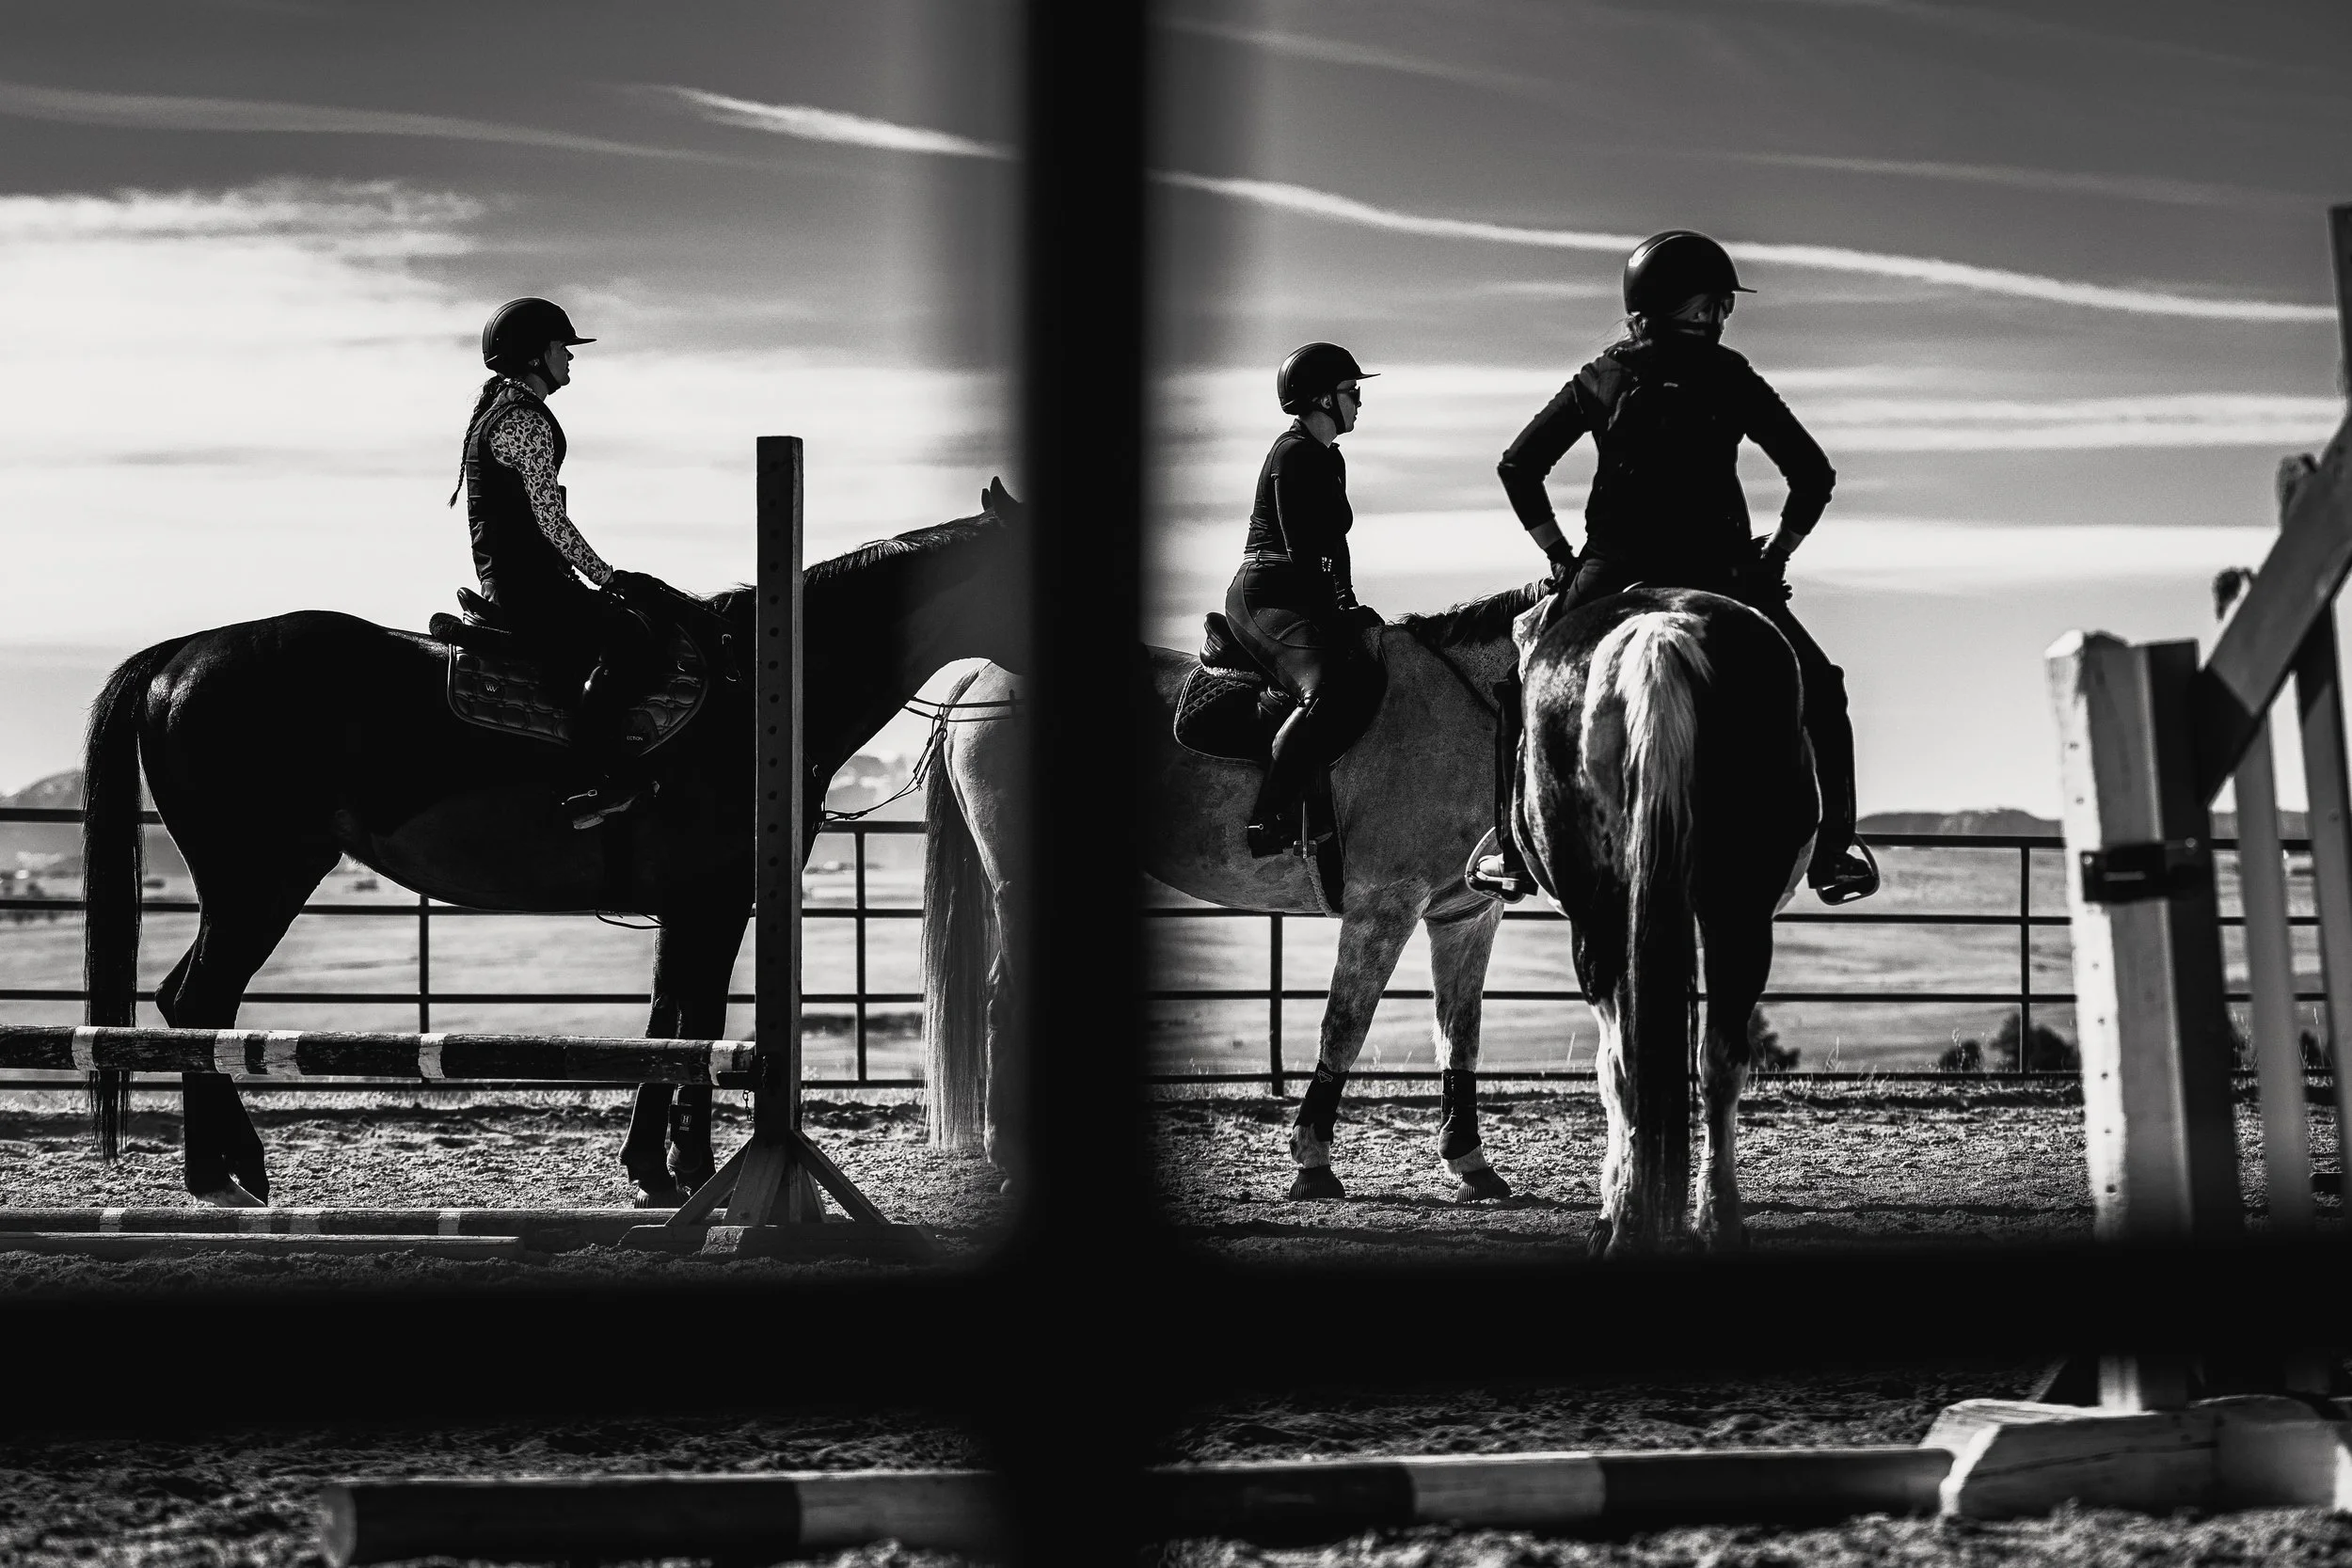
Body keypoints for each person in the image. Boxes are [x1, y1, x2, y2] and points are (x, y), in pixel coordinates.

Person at [1471, 230, 1879, 905]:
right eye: (1716, 304)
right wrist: (1774, 556)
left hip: (1609, 571)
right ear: (1694, 307)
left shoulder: (1601, 375)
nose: (1721, 317)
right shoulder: (1732, 377)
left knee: (1520, 686)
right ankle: (1835, 851)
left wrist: (1558, 554)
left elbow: (1519, 465)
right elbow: (1812, 474)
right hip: (1721, 574)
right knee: (1824, 687)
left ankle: (1511, 852)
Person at [453, 296, 668, 829]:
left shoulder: (500, 412)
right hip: (531, 587)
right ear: (535, 355)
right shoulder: (526, 422)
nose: (570, 360)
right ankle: (594, 782)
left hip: (515, 580)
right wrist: (609, 578)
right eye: (562, 349)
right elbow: (550, 521)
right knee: (632, 640)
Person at [1228, 342, 1384, 857]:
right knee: (1326, 689)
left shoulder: (1330, 458)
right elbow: (1299, 554)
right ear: (1320, 399)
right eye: (1351, 392)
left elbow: (1334, 546)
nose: (1359, 401)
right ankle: (1269, 817)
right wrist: (1333, 611)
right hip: (1266, 597)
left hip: (1304, 595)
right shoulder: (1292, 454)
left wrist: (1348, 601)